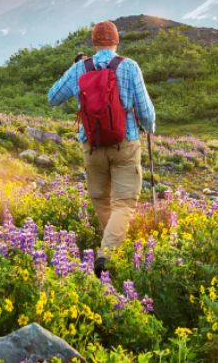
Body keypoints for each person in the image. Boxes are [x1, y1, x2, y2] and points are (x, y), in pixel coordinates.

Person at [48, 20, 156, 276]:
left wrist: (75, 69)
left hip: (92, 146)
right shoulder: (129, 67)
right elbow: (145, 110)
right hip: (125, 144)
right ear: (117, 41)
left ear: (94, 42)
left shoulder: (79, 68)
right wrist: (149, 126)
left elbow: (52, 97)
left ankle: (112, 250)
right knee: (124, 203)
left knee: (101, 200)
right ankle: (107, 254)